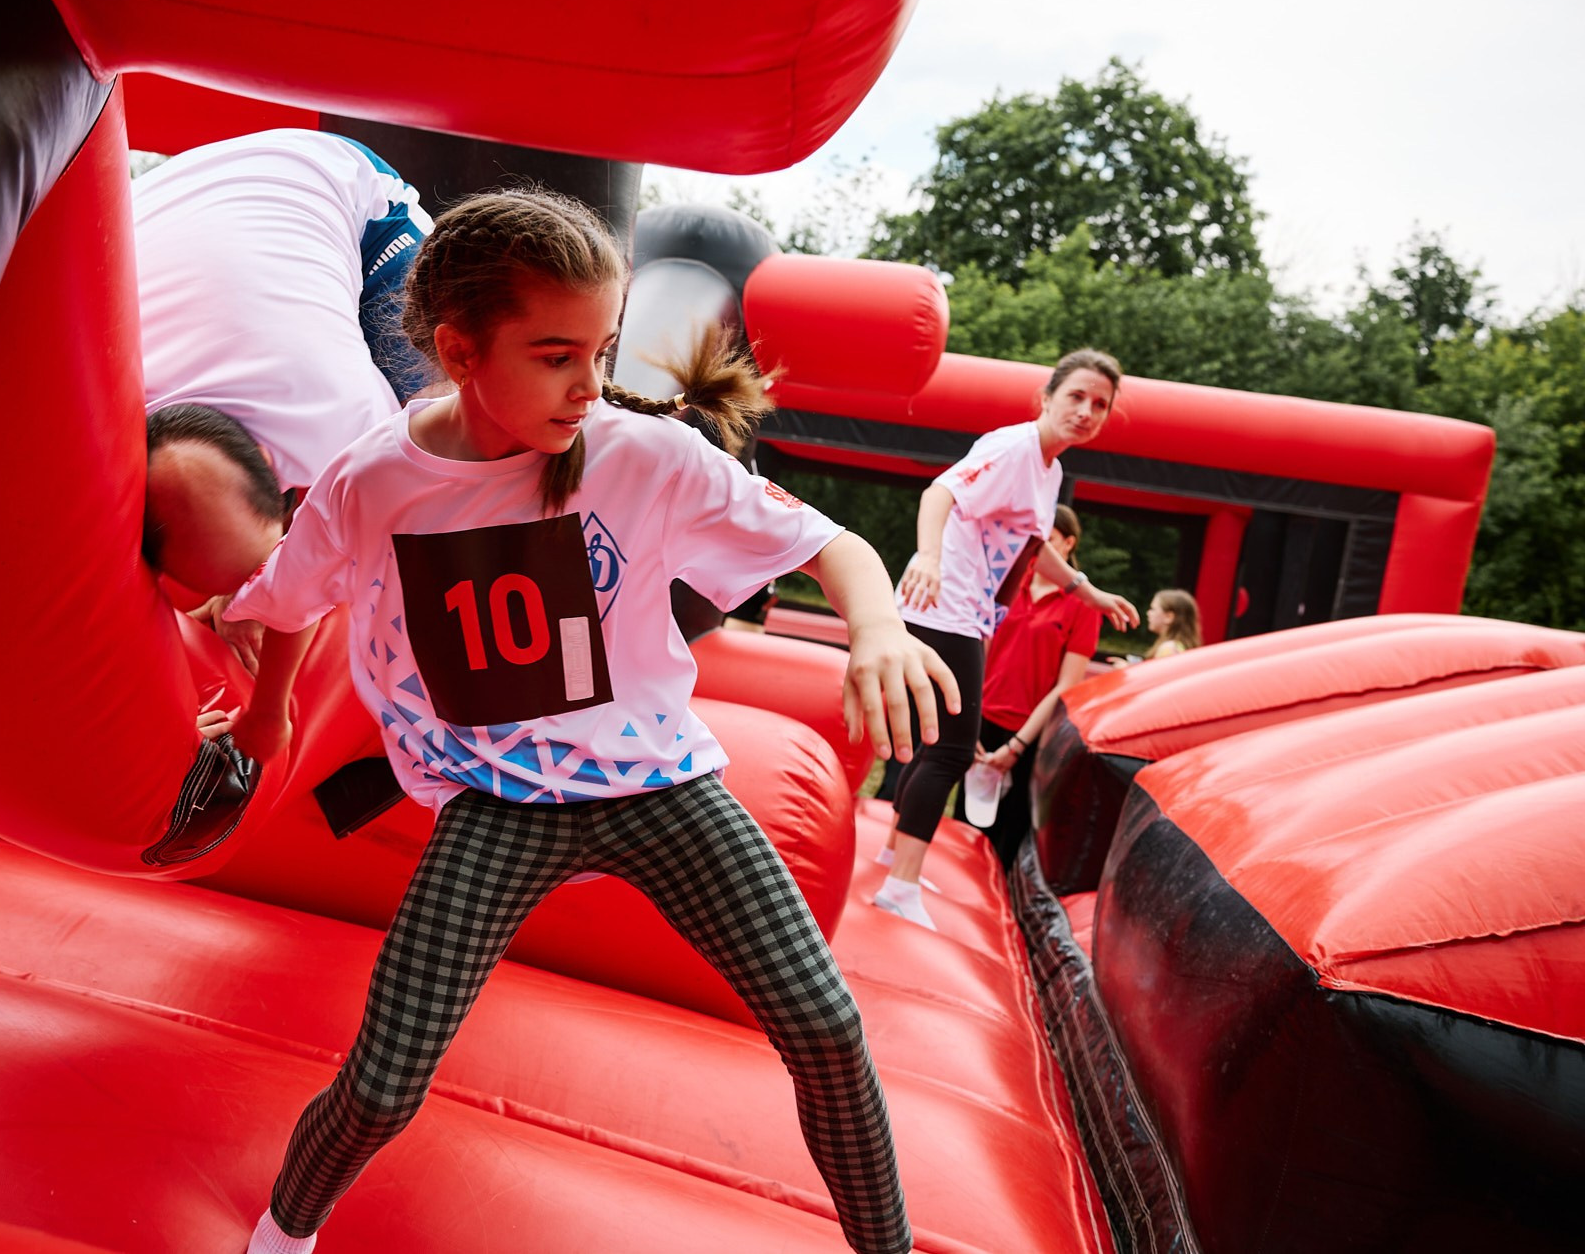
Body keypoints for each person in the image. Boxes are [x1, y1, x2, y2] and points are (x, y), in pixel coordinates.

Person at [222, 188, 955, 1254]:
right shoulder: (378, 479)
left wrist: (878, 629)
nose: (589, 383)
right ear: (458, 348)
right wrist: (261, 714)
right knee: (383, 1085)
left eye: (601, 349)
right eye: (555, 353)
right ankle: (280, 1236)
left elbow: (830, 544)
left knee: (829, 1028)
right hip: (497, 803)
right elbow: (288, 596)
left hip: (661, 785)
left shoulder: (639, 455)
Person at [130, 129, 435, 725]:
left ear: (273, 466)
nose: (244, 596)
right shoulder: (96, 422)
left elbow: (343, 550)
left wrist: (261, 611)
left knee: (457, 425)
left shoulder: (351, 425)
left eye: (253, 574)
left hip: (339, 190)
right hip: (183, 199)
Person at [873, 351, 1139, 930]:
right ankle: (899, 885)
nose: (1087, 411)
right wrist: (929, 554)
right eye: (1076, 397)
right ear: (1046, 398)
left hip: (966, 610)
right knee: (950, 748)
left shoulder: (1049, 469)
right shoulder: (1014, 448)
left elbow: (1031, 543)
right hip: (945, 605)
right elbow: (939, 494)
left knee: (934, 740)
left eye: (1100, 405)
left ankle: (897, 852)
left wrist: (1086, 591)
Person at [961, 504, 1101, 867]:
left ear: (1068, 544)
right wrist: (971, 721)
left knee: (1008, 836)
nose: (1039, 551)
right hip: (982, 721)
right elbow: (980, 652)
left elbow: (1066, 686)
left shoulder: (1084, 604)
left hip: (1031, 736)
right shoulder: (1007, 581)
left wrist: (1018, 745)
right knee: (966, 829)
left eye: (1049, 542)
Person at [1141, 587, 1202, 658]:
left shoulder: (1169, 649)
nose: (1148, 613)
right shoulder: (1180, 646)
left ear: (1169, 617)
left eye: (1153, 609)